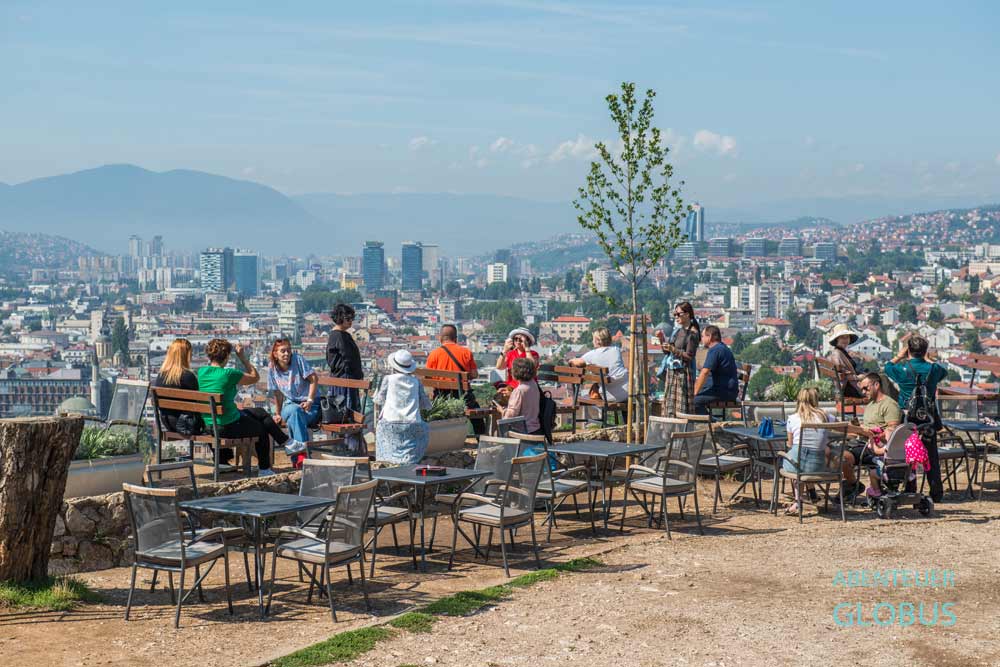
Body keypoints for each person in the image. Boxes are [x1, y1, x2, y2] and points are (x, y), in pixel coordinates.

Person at [197, 338, 304, 477]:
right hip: (226, 426)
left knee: (260, 412)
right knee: (262, 429)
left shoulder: (201, 372)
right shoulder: (229, 374)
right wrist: (243, 357)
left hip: (208, 425)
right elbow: (255, 377)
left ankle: (287, 442)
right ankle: (265, 468)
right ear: (227, 356)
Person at [884, 334, 947, 502]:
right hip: (928, 417)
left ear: (908, 351)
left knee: (907, 454)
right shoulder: (932, 369)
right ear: (925, 351)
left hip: (907, 417)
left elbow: (887, 367)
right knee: (931, 455)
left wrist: (899, 355)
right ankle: (936, 492)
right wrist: (928, 359)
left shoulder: (902, 369)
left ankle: (910, 488)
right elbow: (943, 371)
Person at [841, 372, 902, 502]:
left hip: (874, 447)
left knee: (842, 456)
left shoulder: (889, 405)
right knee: (835, 453)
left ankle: (852, 486)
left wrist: (866, 432)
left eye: (866, 388)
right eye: (861, 389)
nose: (863, 392)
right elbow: (868, 427)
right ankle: (852, 485)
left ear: (876, 385)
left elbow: (893, 432)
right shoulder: (870, 405)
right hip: (863, 443)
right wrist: (857, 429)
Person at [781, 387, 838, 515]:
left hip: (798, 466)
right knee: (810, 459)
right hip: (818, 467)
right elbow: (841, 426)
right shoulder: (826, 416)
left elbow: (790, 444)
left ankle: (798, 501)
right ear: (815, 400)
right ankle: (811, 492)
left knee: (796, 460)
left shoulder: (792, 418)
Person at [268, 338, 319, 469]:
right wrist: (278, 413)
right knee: (294, 411)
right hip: (289, 405)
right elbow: (277, 393)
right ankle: (302, 455)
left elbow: (314, 379)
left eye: (288, 350)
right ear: (275, 354)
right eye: (283, 351)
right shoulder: (272, 369)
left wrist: (309, 400)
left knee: (294, 417)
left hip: (310, 406)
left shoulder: (298, 360)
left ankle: (296, 458)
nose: (286, 354)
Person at [374, 349, 431, 464]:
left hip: (390, 423)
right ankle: (409, 460)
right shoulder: (416, 381)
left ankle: (388, 461)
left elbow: (379, 400)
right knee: (424, 430)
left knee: (382, 429)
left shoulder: (388, 379)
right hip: (412, 423)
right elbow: (425, 404)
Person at [426, 324, 484, 434]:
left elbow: (428, 377)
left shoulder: (433, 354)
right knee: (478, 419)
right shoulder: (465, 352)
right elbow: (474, 374)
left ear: (440, 338)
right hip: (463, 396)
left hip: (441, 397)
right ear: (456, 338)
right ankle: (481, 440)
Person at [326, 303, 365, 455]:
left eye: (352, 318)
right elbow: (348, 359)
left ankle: (346, 447)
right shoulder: (340, 336)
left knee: (345, 414)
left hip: (341, 381)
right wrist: (357, 377)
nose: (351, 322)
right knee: (348, 414)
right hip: (346, 382)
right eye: (348, 318)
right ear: (341, 318)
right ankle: (350, 448)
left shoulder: (337, 335)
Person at [656, 302, 700, 417]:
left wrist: (673, 349)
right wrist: (661, 340)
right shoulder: (677, 331)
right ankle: (670, 430)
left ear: (687, 314)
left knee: (682, 408)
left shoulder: (693, 333)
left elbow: (689, 356)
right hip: (672, 372)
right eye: (674, 314)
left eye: (678, 314)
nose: (676, 317)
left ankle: (682, 431)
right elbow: (667, 352)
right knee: (670, 406)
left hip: (683, 373)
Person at [154, 338, 201, 435]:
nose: (191, 356)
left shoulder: (161, 375)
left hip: (167, 423)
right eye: (190, 353)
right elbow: (197, 403)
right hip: (186, 424)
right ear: (185, 355)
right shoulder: (188, 376)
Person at [569, 327, 629, 403]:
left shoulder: (592, 354)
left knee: (596, 387)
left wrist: (571, 360)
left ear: (598, 341)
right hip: (626, 393)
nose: (592, 341)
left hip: (608, 396)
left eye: (593, 339)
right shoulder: (616, 350)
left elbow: (578, 362)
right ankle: (627, 415)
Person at [692, 325, 739, 415]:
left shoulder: (716, 350)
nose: (701, 339)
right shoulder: (721, 348)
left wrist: (695, 392)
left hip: (725, 392)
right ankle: (711, 421)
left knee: (693, 401)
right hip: (725, 389)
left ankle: (712, 423)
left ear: (710, 337)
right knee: (692, 398)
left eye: (703, 336)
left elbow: (705, 372)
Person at [494, 327, 539, 396]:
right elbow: (499, 367)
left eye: (521, 340)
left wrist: (526, 348)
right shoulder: (510, 354)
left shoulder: (533, 354)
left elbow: (532, 366)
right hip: (511, 387)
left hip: (526, 387)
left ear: (528, 341)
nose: (518, 341)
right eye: (516, 339)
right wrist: (504, 351)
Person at [826, 323, 863, 398]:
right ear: (837, 339)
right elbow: (842, 373)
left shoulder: (840, 351)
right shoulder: (837, 354)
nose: (845, 340)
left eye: (847, 337)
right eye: (842, 337)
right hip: (851, 389)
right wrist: (859, 377)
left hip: (849, 387)